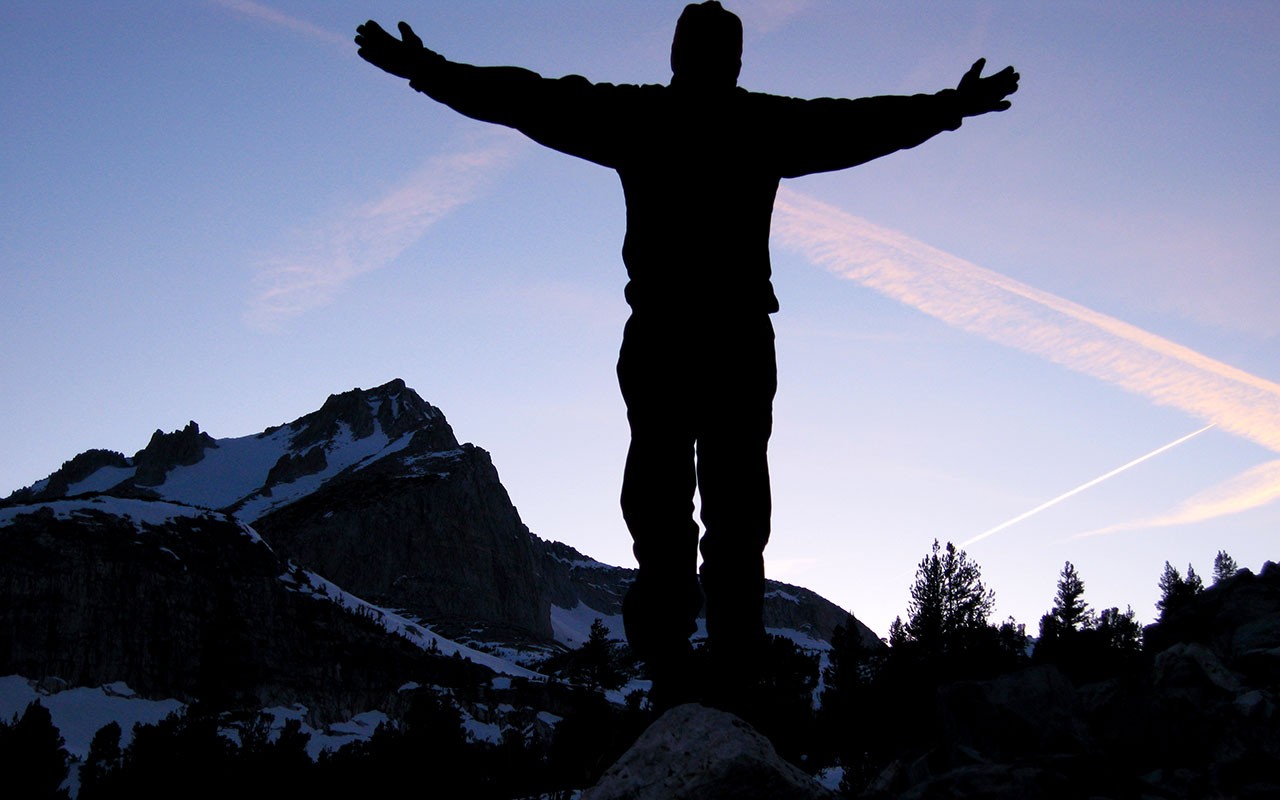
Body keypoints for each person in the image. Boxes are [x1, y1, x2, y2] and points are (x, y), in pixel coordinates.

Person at [355, 1, 1017, 710]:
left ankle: (684, 665)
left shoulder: (643, 116)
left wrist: (428, 72)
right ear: (732, 61)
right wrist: (947, 106)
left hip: (672, 334)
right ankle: (723, 666)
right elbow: (855, 124)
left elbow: (528, 98)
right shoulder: (754, 121)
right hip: (724, 337)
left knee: (671, 503)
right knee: (718, 506)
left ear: (679, 57)